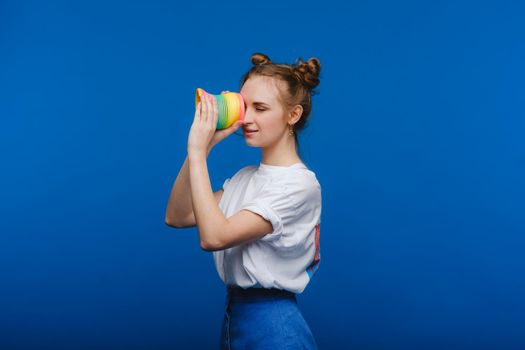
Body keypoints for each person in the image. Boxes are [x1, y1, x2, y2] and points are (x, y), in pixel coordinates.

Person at [165, 52, 322, 349]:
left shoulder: (299, 185)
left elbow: (213, 237)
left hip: (274, 325)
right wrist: (204, 148)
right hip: (235, 317)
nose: (247, 119)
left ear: (293, 115)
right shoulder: (245, 178)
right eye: (245, 107)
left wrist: (197, 152)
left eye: (261, 109)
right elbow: (178, 215)